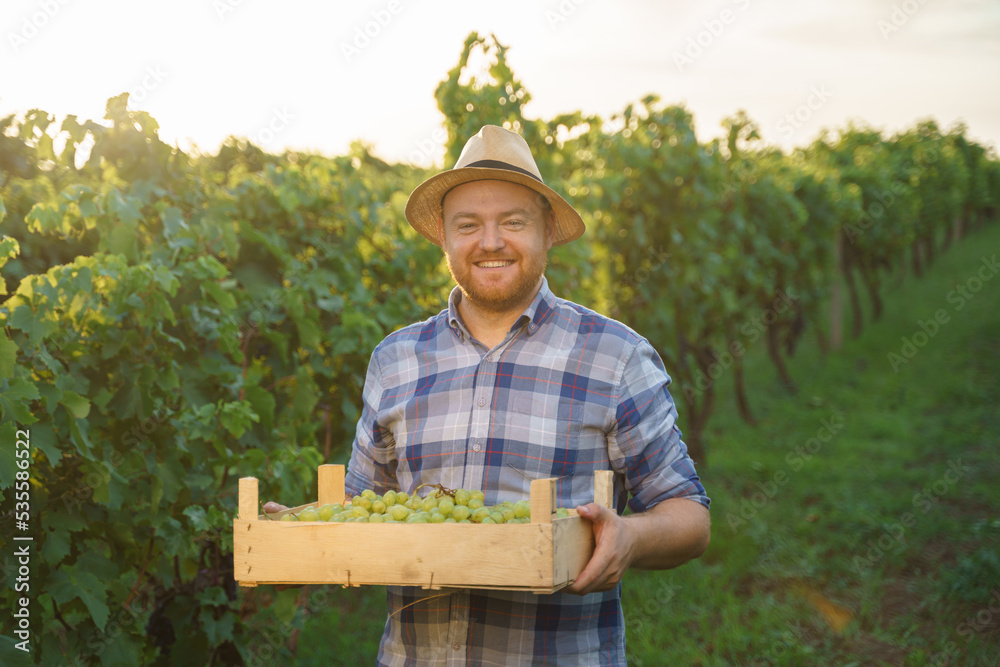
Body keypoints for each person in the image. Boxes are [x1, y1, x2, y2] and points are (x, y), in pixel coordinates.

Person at [270, 125, 710, 665]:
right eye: (469, 225)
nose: (491, 242)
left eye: (513, 222)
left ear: (548, 231)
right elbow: (365, 511)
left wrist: (630, 538)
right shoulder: (395, 360)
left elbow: (689, 516)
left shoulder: (615, 357)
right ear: (444, 238)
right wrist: (299, 533)